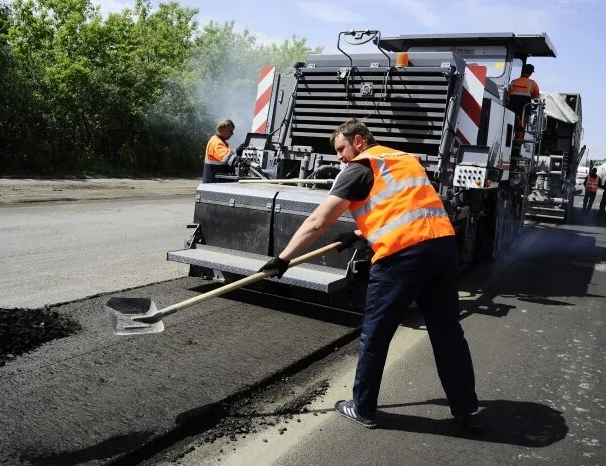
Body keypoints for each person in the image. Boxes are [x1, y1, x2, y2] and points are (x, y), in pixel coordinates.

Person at [258, 119, 481, 430]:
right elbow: (403, 207)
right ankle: (467, 409)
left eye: (341, 149)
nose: (339, 157)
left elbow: (318, 222)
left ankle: (363, 408)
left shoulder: (360, 166)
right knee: (448, 334)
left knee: (375, 335)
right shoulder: (403, 159)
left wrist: (282, 259)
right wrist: (361, 232)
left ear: (359, 141)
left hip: (401, 256)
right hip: (442, 249)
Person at [202, 119, 246, 183]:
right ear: (222, 129)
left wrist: (239, 150)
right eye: (230, 131)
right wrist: (247, 162)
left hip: (215, 182)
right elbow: (228, 158)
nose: (232, 133)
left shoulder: (220, 141)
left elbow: (227, 153)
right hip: (214, 184)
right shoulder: (216, 142)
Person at [507, 63, 540, 140]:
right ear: (531, 73)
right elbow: (536, 97)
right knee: (521, 126)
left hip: (512, 107)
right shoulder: (533, 83)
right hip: (525, 108)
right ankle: (518, 142)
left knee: (511, 125)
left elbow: (508, 94)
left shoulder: (513, 82)